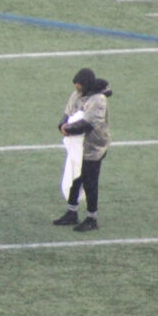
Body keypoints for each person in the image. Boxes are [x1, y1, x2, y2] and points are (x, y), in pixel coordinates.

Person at [53, 68, 112, 232]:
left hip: (94, 147)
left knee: (90, 182)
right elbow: (67, 112)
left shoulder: (98, 99)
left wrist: (68, 129)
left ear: (86, 85)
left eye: (79, 87)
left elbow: (89, 123)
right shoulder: (77, 94)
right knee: (74, 178)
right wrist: (62, 125)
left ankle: (91, 218)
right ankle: (72, 212)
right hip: (78, 146)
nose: (77, 90)